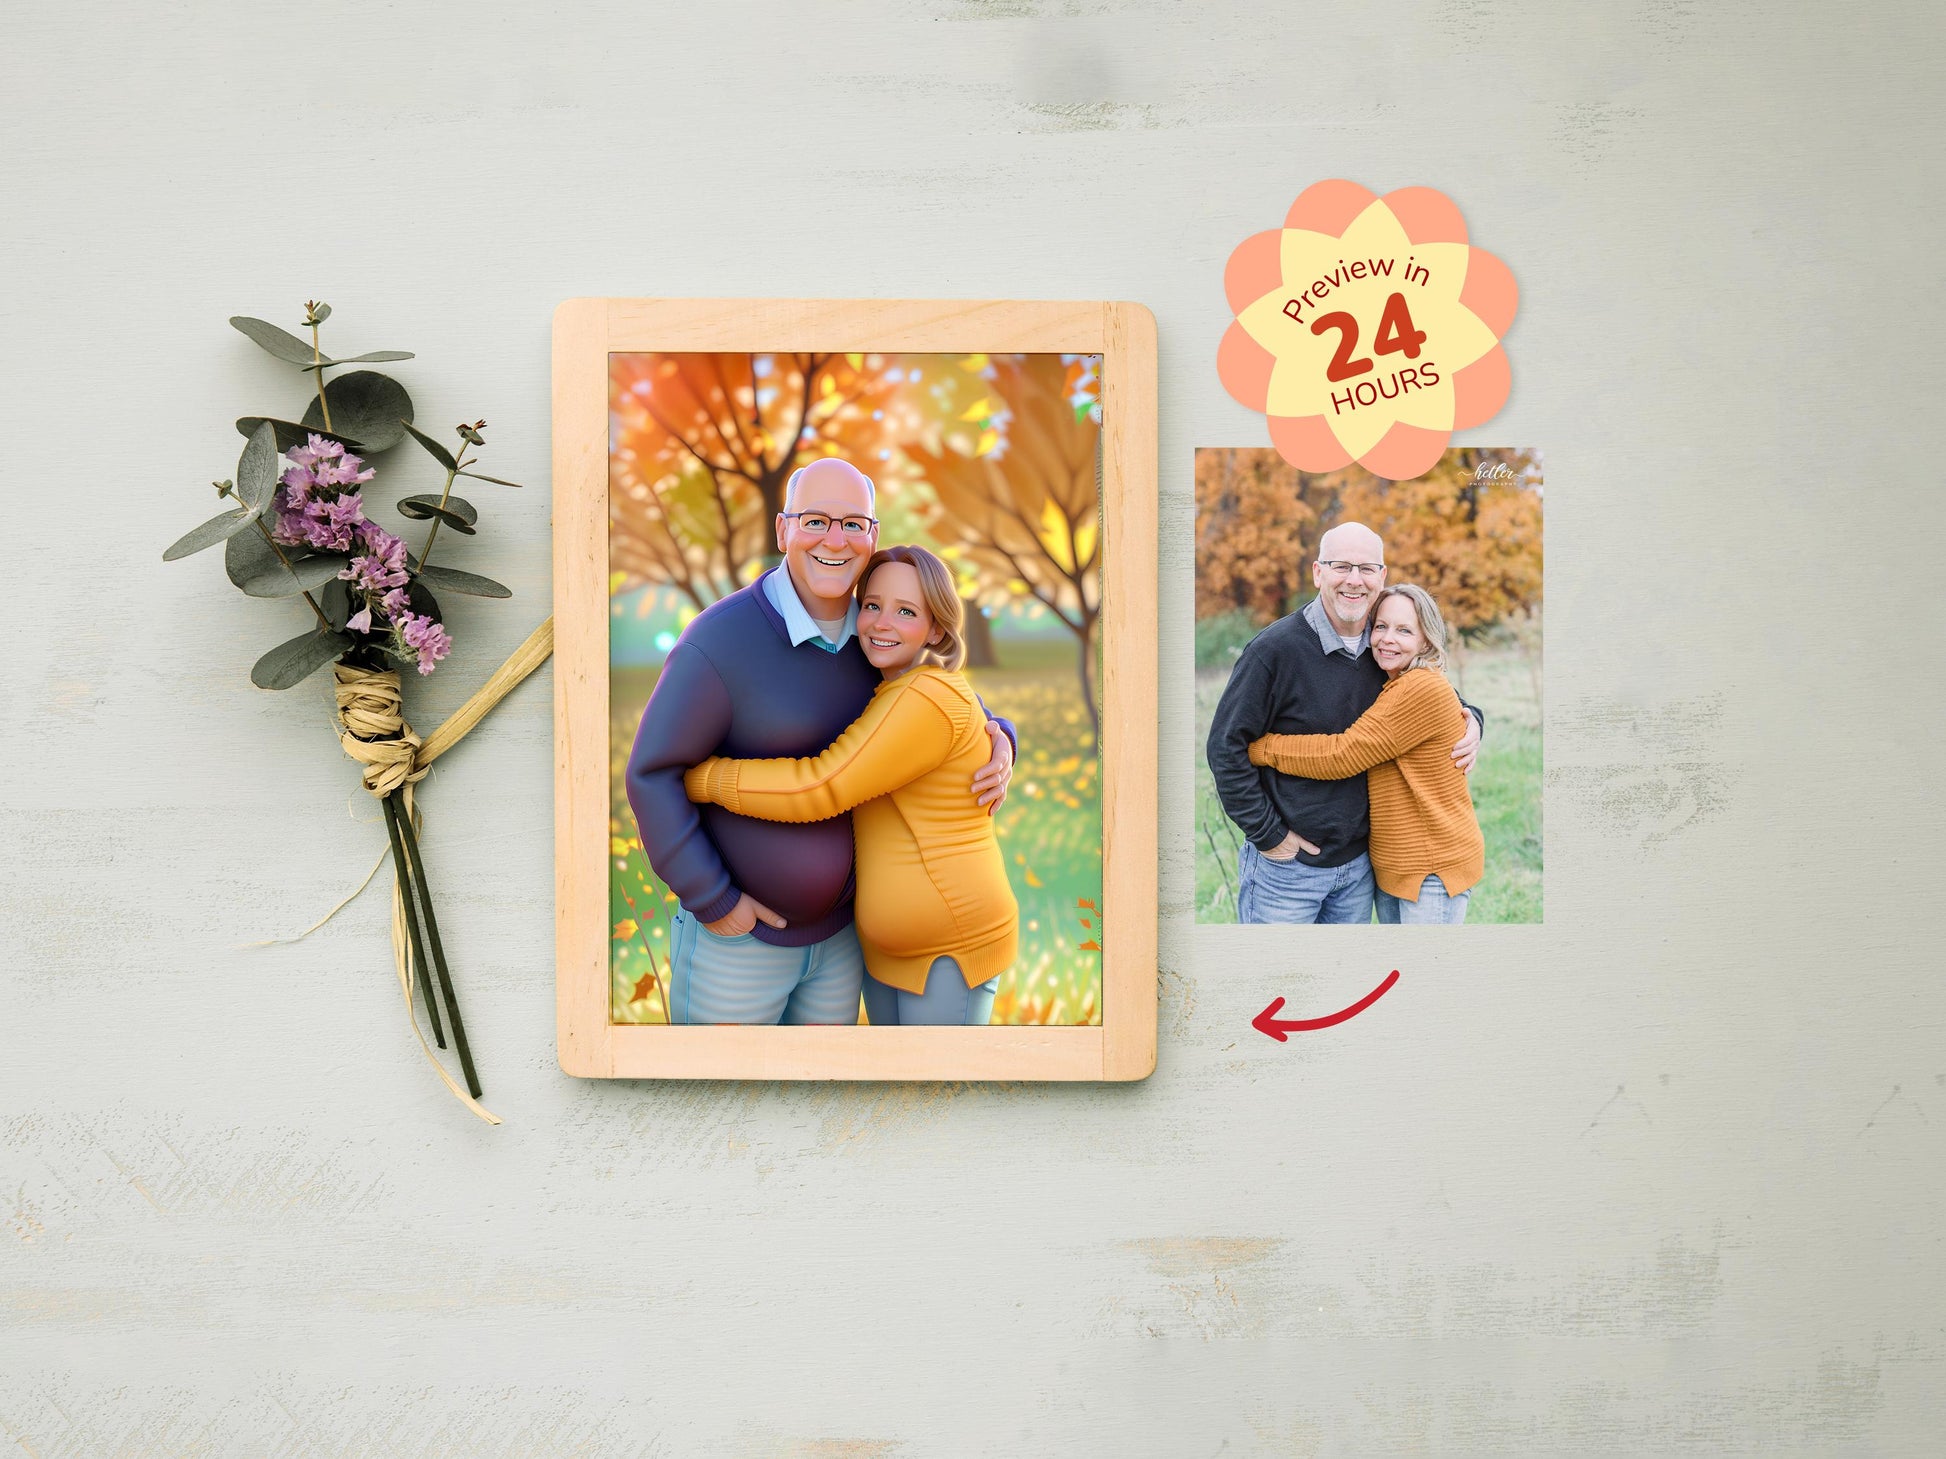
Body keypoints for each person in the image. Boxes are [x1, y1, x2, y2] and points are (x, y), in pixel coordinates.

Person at [625, 459, 1015, 1025]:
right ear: (783, 531)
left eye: (853, 523)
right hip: (740, 945)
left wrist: (1001, 736)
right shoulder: (720, 642)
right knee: (725, 1103)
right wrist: (714, 901)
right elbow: (653, 773)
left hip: (842, 945)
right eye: (815, 520)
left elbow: (948, 708)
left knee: (823, 1103)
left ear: (872, 536)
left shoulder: (877, 634)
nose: (835, 539)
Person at [1205, 522, 1481, 924]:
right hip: (1288, 872)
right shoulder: (1274, 651)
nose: (1354, 579)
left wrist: (1472, 720)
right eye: (1341, 566)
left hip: (1359, 869)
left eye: (1367, 568)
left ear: (1382, 576)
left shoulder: (1384, 648)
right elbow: (1225, 748)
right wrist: (1269, 836)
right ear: (1318, 573)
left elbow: (1432, 703)